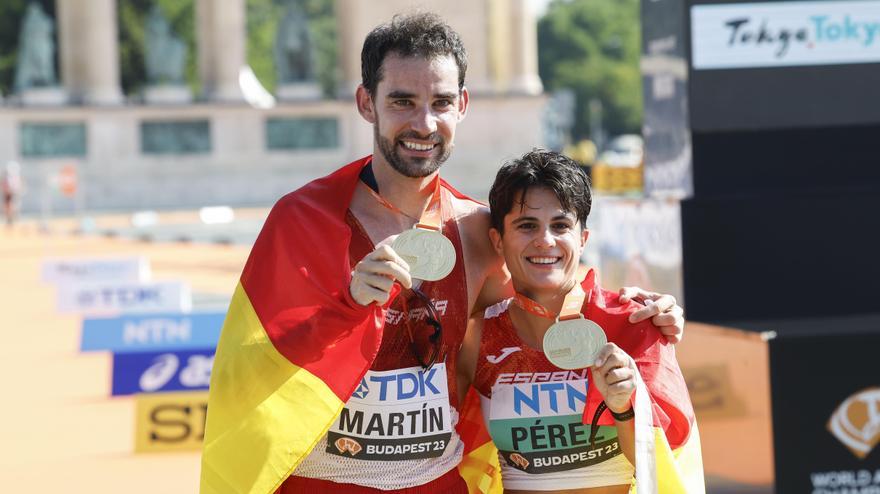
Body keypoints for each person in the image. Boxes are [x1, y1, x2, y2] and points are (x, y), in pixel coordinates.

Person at [200, 13, 685, 494]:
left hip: (438, 481)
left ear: (463, 105)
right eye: (403, 102)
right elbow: (253, 369)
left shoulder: (478, 231)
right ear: (367, 103)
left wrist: (638, 311)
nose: (424, 123)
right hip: (323, 482)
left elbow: (548, 297)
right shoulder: (303, 221)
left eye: (441, 102)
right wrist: (346, 307)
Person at [458, 150, 703, 493]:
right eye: (527, 226)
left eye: (560, 226)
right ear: (498, 241)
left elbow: (668, 464)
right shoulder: (477, 336)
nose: (545, 240)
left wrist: (624, 411)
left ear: (583, 239)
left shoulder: (633, 322)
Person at [2, 161, 23, 227]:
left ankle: (12, 218)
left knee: (12, 205)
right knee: (9, 206)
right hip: (9, 193)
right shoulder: (10, 177)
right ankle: (10, 219)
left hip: (12, 193)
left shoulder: (14, 178)